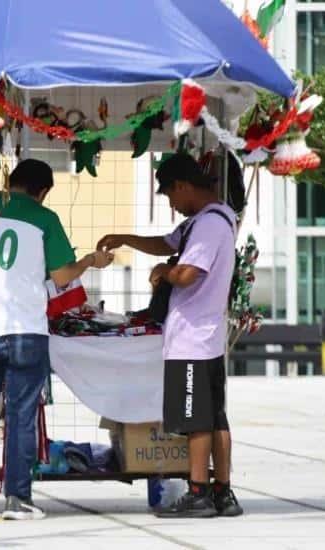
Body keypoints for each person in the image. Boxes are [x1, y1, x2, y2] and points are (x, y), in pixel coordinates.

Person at [0, 159, 114, 521]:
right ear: (42, 192)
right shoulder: (44, 218)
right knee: (21, 417)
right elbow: (61, 275)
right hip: (25, 330)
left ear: (10, 180)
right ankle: (17, 500)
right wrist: (90, 259)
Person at [97, 153, 243, 518]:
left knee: (196, 420)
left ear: (183, 186)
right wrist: (126, 238)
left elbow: (189, 272)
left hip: (194, 336)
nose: (172, 205)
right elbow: (166, 241)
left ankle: (198, 494)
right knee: (214, 419)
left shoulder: (209, 225)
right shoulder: (208, 220)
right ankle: (222, 492)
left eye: (169, 196)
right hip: (205, 334)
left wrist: (165, 271)